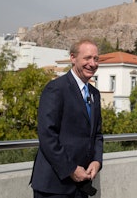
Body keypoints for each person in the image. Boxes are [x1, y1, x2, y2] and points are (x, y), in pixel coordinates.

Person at [30, 38, 103, 198]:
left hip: (81, 186)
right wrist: (70, 169)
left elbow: (97, 134)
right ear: (73, 58)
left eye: (96, 59)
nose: (92, 63)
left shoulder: (94, 94)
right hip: (54, 186)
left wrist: (97, 161)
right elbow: (47, 135)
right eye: (87, 58)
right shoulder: (55, 89)